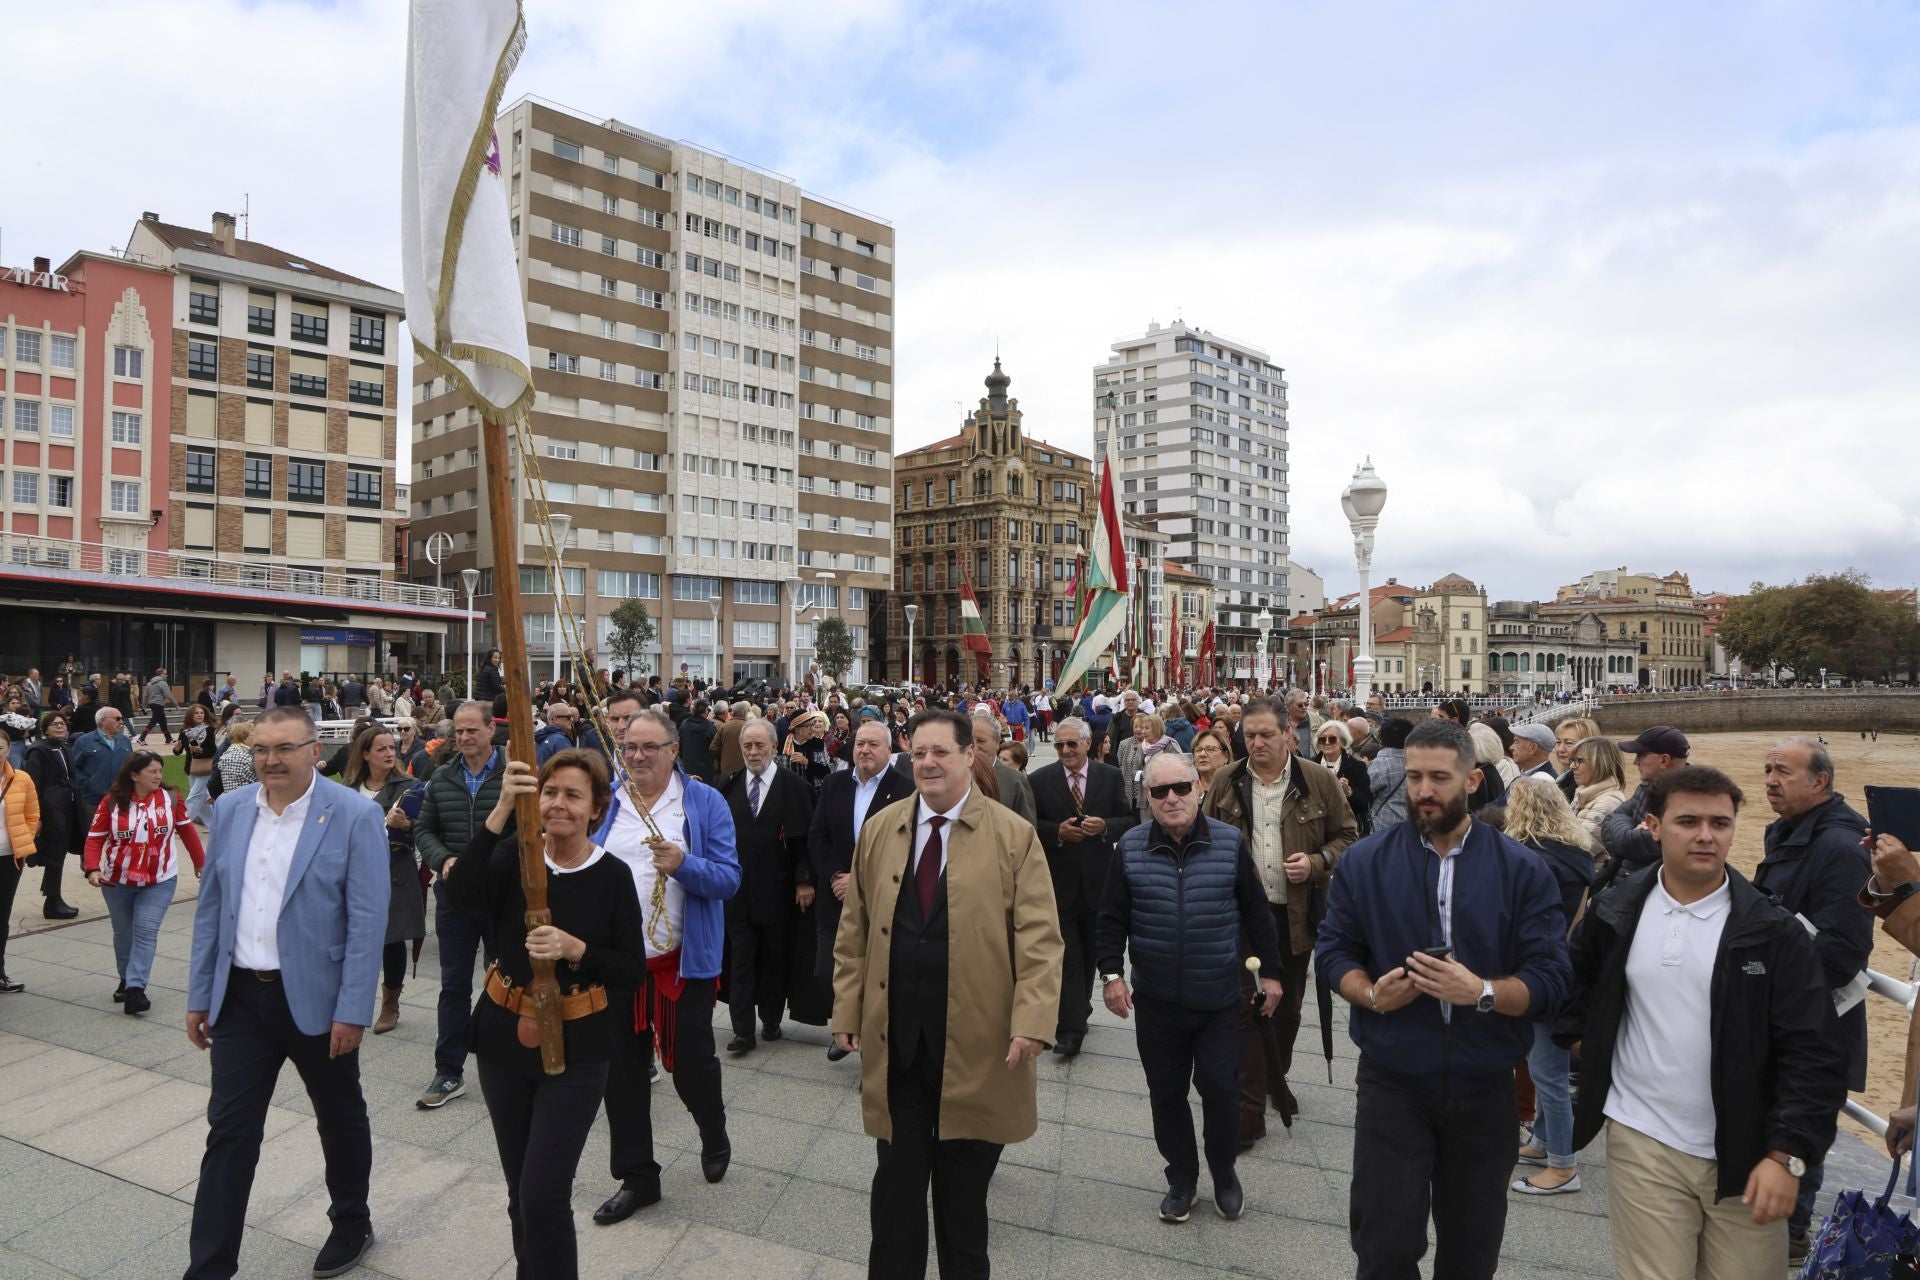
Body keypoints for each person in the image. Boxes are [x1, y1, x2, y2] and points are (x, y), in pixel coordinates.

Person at [1555, 766, 1843, 1280]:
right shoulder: (1616, 909)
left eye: (1721, 823)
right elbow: (1576, 988)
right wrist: (1589, 1047)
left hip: (1747, 1152)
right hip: (1642, 1138)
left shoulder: (1772, 931)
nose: (1707, 835)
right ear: (1653, 825)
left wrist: (1787, 1156)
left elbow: (1814, 1051)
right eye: (1688, 821)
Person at [1314, 718, 1571, 1280]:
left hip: (1484, 1086)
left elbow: (1551, 979)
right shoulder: (1366, 861)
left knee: (1471, 1252)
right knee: (1383, 1245)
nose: (1424, 791)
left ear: (1473, 781)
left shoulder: (1521, 869)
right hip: (1394, 1081)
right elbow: (1333, 952)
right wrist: (1371, 994)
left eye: (1439, 778)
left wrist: (1479, 991)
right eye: (1414, 778)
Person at [831, 708, 1064, 1280]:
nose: (928, 763)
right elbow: (854, 927)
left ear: (969, 757)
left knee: (962, 1212)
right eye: (919, 753)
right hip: (899, 1049)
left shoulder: (1014, 836)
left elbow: (1040, 940)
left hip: (976, 1049)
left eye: (941, 752)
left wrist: (1032, 1020)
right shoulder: (882, 828)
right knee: (895, 1201)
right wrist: (847, 1006)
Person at [183, 706, 388, 1280]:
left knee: (339, 1117)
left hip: (318, 1003)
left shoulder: (351, 814)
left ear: (315, 751)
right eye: (261, 750)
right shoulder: (229, 809)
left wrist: (353, 1008)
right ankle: (209, 1266)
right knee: (230, 1133)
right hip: (242, 1000)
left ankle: (352, 1221)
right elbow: (213, 909)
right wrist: (201, 995)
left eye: (284, 749)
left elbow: (367, 920)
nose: (271, 761)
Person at [448, 749, 646, 1278]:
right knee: (519, 1192)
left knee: (543, 1193)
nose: (558, 804)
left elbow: (631, 970)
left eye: (573, 795)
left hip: (580, 1049)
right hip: (503, 1040)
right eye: (549, 792)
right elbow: (459, 890)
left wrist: (576, 948)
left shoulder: (613, 876)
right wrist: (502, 811)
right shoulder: (516, 855)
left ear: (597, 809)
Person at [1097, 751, 1284, 1222]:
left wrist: (1274, 975)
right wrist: (1111, 976)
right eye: (1160, 791)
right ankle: (1181, 1178)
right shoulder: (1131, 847)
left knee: (1221, 1091)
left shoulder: (1229, 843)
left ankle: (1224, 1173)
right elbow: (1110, 920)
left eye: (1181, 787)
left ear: (1198, 790)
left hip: (1219, 998)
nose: (1172, 798)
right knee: (1166, 1094)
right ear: (1148, 797)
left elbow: (1257, 915)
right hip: (1157, 1001)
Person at [589, 709, 741, 1222]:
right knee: (622, 1075)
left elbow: (729, 879)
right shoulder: (608, 800)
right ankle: (637, 1178)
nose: (636, 756)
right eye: (629, 746)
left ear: (673, 751)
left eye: (649, 747)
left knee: (690, 1068)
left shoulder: (703, 802)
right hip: (618, 966)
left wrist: (685, 864)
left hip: (682, 965)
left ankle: (713, 1130)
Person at [1199, 696, 1356, 1136]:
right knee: (1244, 1005)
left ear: (1288, 733)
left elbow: (1348, 835)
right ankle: (1251, 1100)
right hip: (1241, 913)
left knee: (1284, 1008)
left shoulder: (1318, 780)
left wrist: (1317, 861)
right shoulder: (1227, 781)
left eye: (1267, 734)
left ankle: (1274, 1076)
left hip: (1296, 911)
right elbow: (1205, 836)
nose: (1258, 742)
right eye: (1250, 735)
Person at [1755, 737, 1872, 1264]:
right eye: (1767, 770)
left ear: (1819, 781)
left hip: (1813, 1016)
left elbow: (1843, 951)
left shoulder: (1841, 847)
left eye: (1782, 771)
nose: (1770, 780)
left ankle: (1794, 1232)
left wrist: (1777, 985)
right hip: (1787, 1007)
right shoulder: (1789, 831)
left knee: (1803, 1116)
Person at [1500, 776, 1595, 1195]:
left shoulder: (1526, 856)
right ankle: (1542, 1142)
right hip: (1567, 967)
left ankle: (1563, 1165)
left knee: (1547, 1073)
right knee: (1548, 1067)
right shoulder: (1575, 852)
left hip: (1538, 970)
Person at [413, 701, 506, 1109]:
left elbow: (528, 831)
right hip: (454, 897)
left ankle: (507, 1059)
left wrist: (494, 864)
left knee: (505, 980)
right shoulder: (443, 776)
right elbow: (424, 828)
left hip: (501, 896)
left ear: (490, 730)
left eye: (472, 730)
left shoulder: (512, 775)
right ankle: (448, 1071)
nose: (465, 737)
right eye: (459, 732)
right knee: (454, 985)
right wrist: (442, 859)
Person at [807, 720, 915, 1064]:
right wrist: (838, 875)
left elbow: (907, 847)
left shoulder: (906, 790)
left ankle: (871, 1043)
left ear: (889, 750)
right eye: (859, 744)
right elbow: (817, 836)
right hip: (835, 897)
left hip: (880, 901)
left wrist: (861, 880)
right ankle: (846, 1023)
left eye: (872, 744)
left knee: (876, 975)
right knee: (827, 971)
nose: (864, 750)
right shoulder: (836, 784)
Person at [1029, 716, 1136, 1057]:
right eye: (1059, 744)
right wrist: (1056, 833)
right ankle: (1069, 1029)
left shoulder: (1110, 776)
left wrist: (1104, 826)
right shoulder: (1040, 779)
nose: (1064, 750)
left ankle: (1079, 1011)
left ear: (1088, 744)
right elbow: (1029, 826)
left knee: (1090, 953)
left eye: (1071, 744)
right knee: (1069, 957)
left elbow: (1129, 820)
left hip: (1099, 883)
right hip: (1058, 883)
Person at [84, 749, 206, 1014]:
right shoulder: (112, 802)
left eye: (160, 771)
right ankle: (126, 979)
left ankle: (136, 989)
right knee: (124, 934)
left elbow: (187, 831)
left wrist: (201, 863)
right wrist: (92, 868)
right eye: (153, 771)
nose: (159, 776)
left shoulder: (171, 798)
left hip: (159, 879)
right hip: (117, 881)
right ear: (134, 774)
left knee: (146, 930)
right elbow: (95, 837)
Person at [720, 719, 815, 1053]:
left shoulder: (795, 788)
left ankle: (771, 1019)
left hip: (778, 892)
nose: (753, 751)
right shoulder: (727, 788)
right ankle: (743, 1030)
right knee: (741, 960)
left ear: (775, 746)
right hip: (737, 892)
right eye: (747, 746)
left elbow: (806, 841)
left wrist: (804, 879)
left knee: (774, 958)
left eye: (760, 745)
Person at [344, 728, 427, 1038]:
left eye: (391, 748)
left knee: (392, 938)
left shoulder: (409, 786)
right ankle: (350, 1001)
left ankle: (390, 1003)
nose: (389, 753)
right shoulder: (350, 788)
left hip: (395, 867)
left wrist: (407, 826)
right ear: (365, 754)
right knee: (353, 937)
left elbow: (425, 831)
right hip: (354, 871)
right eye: (381, 749)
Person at [1595, 726, 1690, 895]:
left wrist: (1627, 832)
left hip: (1651, 892)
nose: (1635, 761)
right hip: (1629, 884)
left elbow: (1632, 843)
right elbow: (1611, 819)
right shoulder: (1647, 786)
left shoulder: (1690, 801)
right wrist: (1631, 829)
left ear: (1664, 761)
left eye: (1641, 755)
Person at [68, 706, 132, 919]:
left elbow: (132, 765)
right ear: (103, 721)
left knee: (121, 831)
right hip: (93, 797)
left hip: (121, 797)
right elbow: (74, 768)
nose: (121, 721)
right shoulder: (85, 742)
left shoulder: (124, 741)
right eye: (118, 718)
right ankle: (89, 864)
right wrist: (87, 785)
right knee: (92, 833)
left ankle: (117, 862)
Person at [22, 711, 82, 923]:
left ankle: (53, 898)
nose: (59, 727)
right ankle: (52, 901)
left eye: (62, 723)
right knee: (55, 854)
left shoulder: (65, 747)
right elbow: (32, 785)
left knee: (60, 854)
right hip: (51, 810)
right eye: (54, 724)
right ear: (45, 728)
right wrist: (36, 816)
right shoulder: (38, 751)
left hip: (67, 807)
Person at [0, 749, 42, 992]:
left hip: (9, 857)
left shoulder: (21, 778)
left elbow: (32, 814)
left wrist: (24, 840)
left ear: (8, 749)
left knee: (2, 917)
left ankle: (0, 972)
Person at [1566, 737, 1629, 851]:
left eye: (1579, 761)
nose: (1572, 766)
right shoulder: (1583, 794)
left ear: (1600, 764)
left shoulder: (1608, 802)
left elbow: (1582, 846)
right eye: (1572, 760)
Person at [1314, 719, 1373, 837]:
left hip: (1346, 831)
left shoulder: (1357, 767)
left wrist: (1349, 792)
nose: (1326, 742)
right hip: (1316, 830)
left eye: (1332, 739)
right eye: (1322, 739)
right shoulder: (1310, 765)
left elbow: (1367, 802)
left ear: (1342, 741)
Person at [173, 702, 220, 827]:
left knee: (194, 796)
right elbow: (178, 751)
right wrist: (177, 748)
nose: (200, 715)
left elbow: (214, 751)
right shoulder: (185, 731)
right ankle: (213, 824)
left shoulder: (210, 730)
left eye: (202, 713)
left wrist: (202, 750)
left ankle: (182, 824)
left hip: (206, 768)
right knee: (203, 799)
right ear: (190, 715)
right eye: (196, 713)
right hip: (191, 768)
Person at [1366, 717, 1413, 832]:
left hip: (1384, 822)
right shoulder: (1418, 762)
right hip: (1412, 822)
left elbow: (1367, 792)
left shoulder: (1379, 764)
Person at [1190, 725, 1232, 797]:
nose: (1202, 754)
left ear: (1226, 756)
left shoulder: (1236, 788)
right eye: (1198, 750)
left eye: (1210, 749)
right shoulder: (1187, 789)